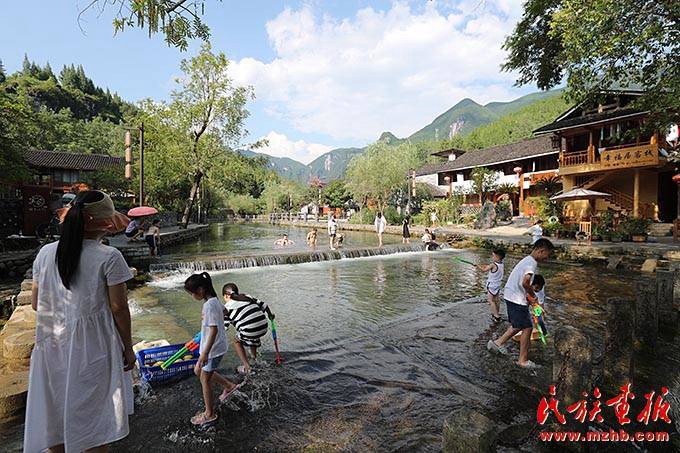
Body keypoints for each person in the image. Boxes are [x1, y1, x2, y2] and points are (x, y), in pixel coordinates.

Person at [24, 190, 135, 453]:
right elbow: (119, 308)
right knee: (95, 423)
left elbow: (35, 303)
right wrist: (128, 347)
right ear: (104, 223)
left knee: (55, 417)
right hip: (92, 349)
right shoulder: (108, 257)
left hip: (52, 346)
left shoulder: (45, 253)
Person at [487, 238, 554, 369]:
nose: (547, 258)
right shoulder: (531, 264)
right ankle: (522, 360)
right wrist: (532, 296)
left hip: (511, 295)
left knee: (518, 325)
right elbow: (525, 282)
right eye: (548, 254)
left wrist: (530, 298)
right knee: (527, 327)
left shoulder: (527, 260)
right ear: (542, 250)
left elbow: (523, 284)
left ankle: (496, 343)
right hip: (515, 298)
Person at [184, 272, 241, 426]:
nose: (192, 296)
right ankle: (229, 386)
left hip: (213, 348)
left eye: (192, 293)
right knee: (198, 371)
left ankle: (209, 414)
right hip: (216, 345)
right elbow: (225, 312)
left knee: (204, 378)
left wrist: (204, 353)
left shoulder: (209, 305)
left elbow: (214, 330)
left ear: (201, 290)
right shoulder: (214, 300)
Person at [222, 283, 276, 374]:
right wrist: (270, 316)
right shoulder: (247, 297)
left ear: (226, 296)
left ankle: (247, 367)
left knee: (236, 341)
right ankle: (254, 358)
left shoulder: (226, 308)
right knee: (252, 334)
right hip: (263, 327)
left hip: (250, 330)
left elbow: (223, 328)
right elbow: (265, 305)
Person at [477, 248, 505, 324]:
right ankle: (497, 312)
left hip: (491, 285)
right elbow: (488, 267)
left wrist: (477, 267)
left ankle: (496, 315)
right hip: (498, 285)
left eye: (493, 256)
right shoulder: (501, 264)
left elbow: (484, 270)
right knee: (496, 300)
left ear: (497, 257)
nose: (492, 257)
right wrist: (483, 266)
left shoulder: (493, 264)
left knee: (490, 300)